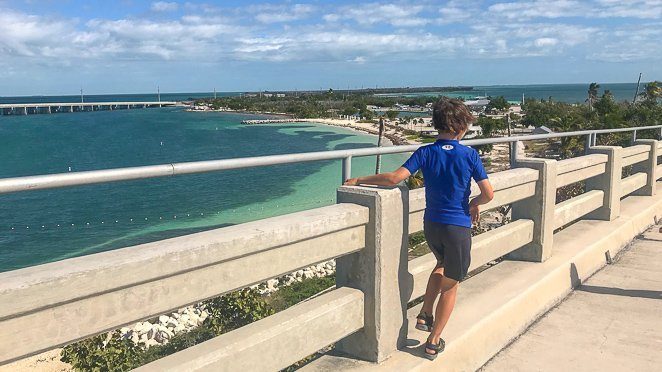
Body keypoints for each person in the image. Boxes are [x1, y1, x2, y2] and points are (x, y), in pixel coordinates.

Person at [344, 98, 494, 360]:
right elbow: (488, 194)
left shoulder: (425, 152)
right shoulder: (469, 155)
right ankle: (433, 341)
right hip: (457, 227)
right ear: (461, 127)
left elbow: (394, 179)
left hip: (432, 224)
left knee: (441, 264)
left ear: (437, 125)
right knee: (451, 284)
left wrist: (359, 179)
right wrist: (474, 203)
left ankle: (426, 312)